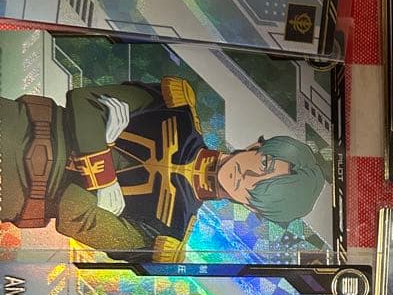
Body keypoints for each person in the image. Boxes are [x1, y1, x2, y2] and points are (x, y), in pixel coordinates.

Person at [0, 77, 326, 261]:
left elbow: (72, 216)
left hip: (14, 193)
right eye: (265, 164)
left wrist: (100, 151)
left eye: (260, 190)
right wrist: (102, 180)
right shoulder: (175, 104)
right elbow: (84, 101)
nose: (249, 177)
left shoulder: (167, 236)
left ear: (253, 208)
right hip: (16, 124)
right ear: (257, 146)